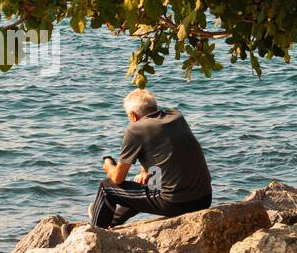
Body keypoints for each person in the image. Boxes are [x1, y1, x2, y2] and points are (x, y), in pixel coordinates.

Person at [88, 89, 213, 228]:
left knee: (107, 187)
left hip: (177, 203)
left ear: (133, 116)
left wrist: (108, 165)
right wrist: (144, 172)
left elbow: (117, 178)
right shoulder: (176, 116)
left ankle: (92, 232)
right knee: (149, 183)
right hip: (204, 198)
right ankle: (113, 222)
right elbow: (163, 152)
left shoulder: (135, 129)